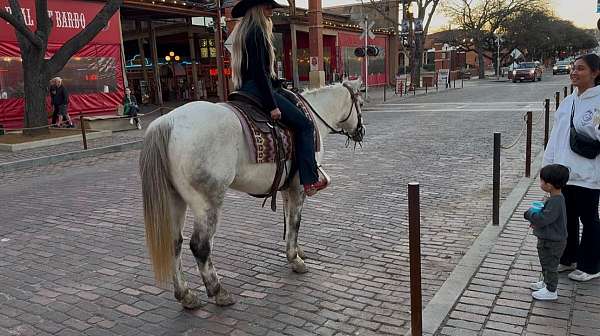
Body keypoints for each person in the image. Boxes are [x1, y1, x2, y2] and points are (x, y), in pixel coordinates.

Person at [230, 0, 328, 196]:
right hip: (259, 89)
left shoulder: (243, 32)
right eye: (267, 7)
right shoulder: (257, 32)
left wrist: (275, 81)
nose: (271, 11)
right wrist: (272, 105)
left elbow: (254, 71)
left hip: (245, 88)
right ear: (256, 8)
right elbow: (259, 73)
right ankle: (309, 180)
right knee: (305, 125)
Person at [543, 54, 600, 282]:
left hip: (588, 173)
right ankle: (569, 258)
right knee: (567, 218)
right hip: (564, 173)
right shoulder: (569, 102)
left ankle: (591, 265)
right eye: (573, 68)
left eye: (581, 69)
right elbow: (556, 136)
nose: (574, 72)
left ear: (595, 73)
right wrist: (548, 167)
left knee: (589, 219)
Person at [524, 164, 569, 301]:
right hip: (548, 238)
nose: (540, 183)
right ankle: (546, 282)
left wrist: (529, 214)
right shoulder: (554, 198)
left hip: (553, 241)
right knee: (545, 262)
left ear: (549, 185)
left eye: (542, 181)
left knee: (551, 265)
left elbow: (545, 218)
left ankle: (551, 290)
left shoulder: (556, 201)